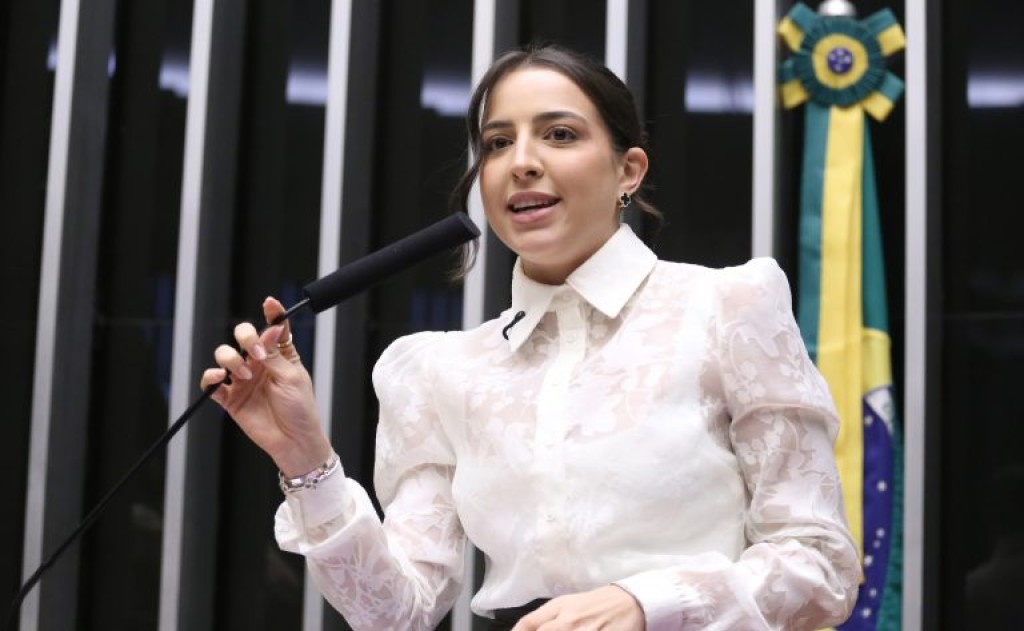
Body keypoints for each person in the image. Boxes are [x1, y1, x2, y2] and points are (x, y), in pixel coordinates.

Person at [201, 44, 861, 630]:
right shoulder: (441, 369)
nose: (521, 163)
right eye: (496, 143)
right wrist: (304, 458)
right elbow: (394, 614)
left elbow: (822, 566)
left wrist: (645, 603)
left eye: (559, 134)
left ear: (629, 170)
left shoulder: (726, 307)